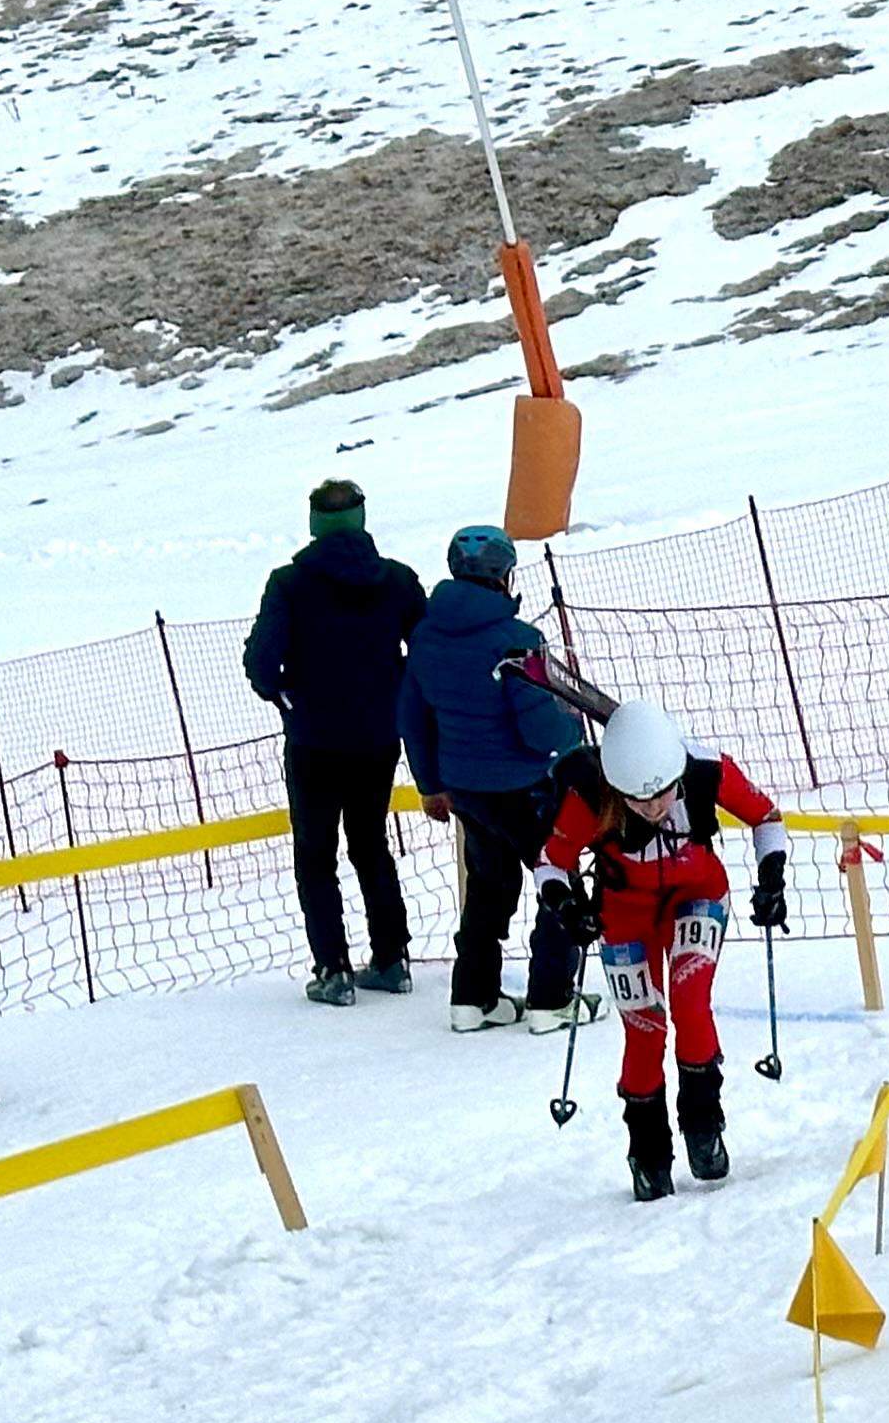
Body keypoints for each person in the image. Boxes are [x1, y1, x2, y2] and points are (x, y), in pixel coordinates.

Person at [532, 699, 788, 1202]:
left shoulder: (704, 769)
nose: (654, 808)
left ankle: (703, 1123)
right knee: (645, 1028)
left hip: (697, 896)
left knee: (691, 1006)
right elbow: (550, 862)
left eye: (663, 794)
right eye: (637, 800)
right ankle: (647, 1151)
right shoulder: (590, 792)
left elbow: (766, 816)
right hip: (624, 913)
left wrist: (772, 875)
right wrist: (566, 906)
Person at [397, 526, 591, 1031]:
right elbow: (538, 729)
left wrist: (429, 783)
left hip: (465, 790)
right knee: (558, 880)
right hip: (526, 788)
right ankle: (551, 999)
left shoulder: (425, 636)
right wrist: (572, 732)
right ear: (503, 576)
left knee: (488, 886)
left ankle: (473, 997)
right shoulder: (516, 640)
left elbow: (413, 718)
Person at [241, 475, 426, 1006]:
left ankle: (334, 969)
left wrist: (281, 694)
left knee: (316, 854)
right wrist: (395, 688)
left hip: (314, 739)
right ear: (361, 520)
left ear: (315, 524)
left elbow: (261, 661)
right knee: (372, 845)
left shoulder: (289, 584)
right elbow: (427, 648)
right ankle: (392, 960)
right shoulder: (396, 580)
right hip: (378, 737)